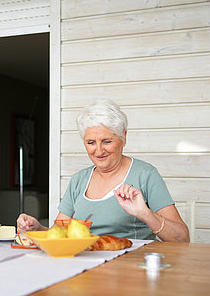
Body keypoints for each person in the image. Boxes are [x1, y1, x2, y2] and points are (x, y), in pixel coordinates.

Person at [17, 100, 190, 242]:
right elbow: (59, 233)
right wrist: (37, 228)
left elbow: (182, 238)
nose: (99, 151)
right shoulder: (79, 180)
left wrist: (145, 213)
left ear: (123, 137)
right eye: (91, 142)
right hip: (83, 268)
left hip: (129, 270)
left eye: (107, 141)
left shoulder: (145, 174)